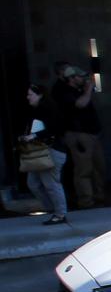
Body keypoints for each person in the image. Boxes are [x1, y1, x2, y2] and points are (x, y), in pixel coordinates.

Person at [50, 62, 104, 209]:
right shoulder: (64, 92)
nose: (84, 79)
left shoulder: (78, 90)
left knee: (98, 166)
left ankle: (98, 194)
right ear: (72, 78)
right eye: (81, 77)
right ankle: (86, 200)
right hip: (78, 134)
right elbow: (80, 104)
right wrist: (88, 90)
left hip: (91, 133)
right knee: (83, 169)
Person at [20, 84, 68, 224]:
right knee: (33, 183)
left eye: (31, 94)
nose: (28, 97)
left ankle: (60, 214)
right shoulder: (36, 110)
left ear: (40, 95)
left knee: (51, 184)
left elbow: (56, 128)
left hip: (51, 151)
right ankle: (54, 209)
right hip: (40, 153)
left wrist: (34, 136)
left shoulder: (49, 109)